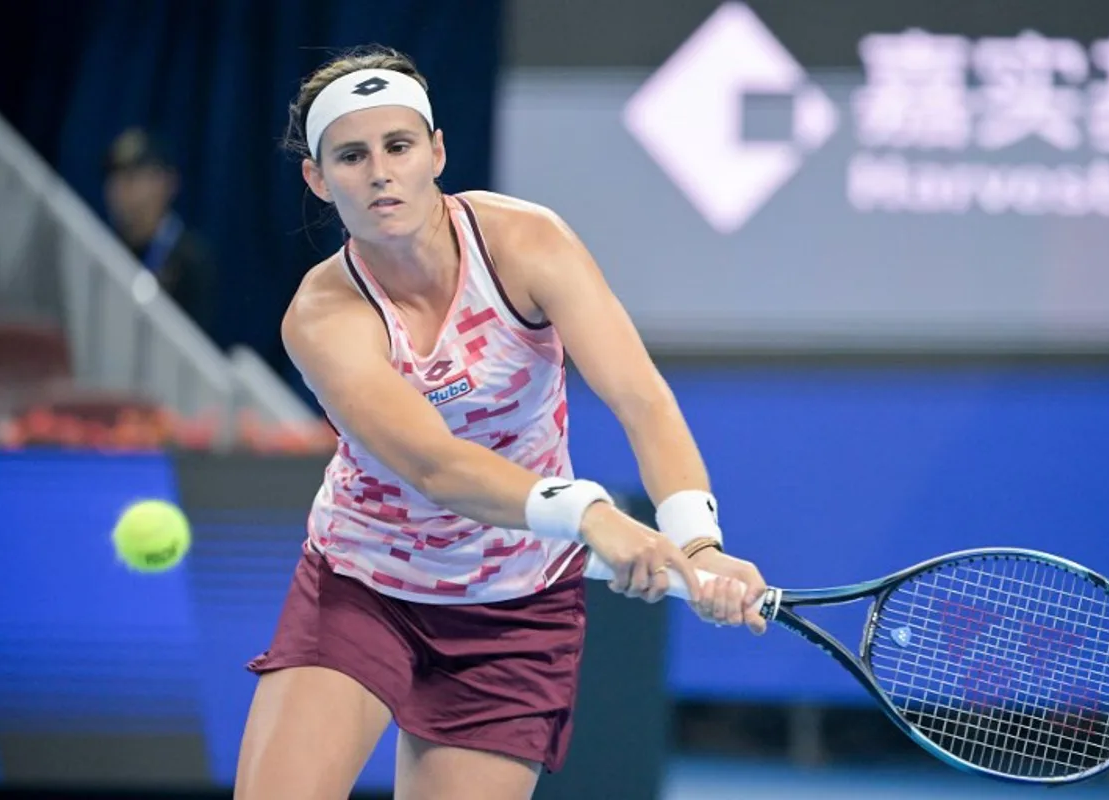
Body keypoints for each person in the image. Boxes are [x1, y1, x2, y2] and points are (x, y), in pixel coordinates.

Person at [234, 45, 769, 800]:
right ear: (318, 179)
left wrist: (695, 538)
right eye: (351, 156)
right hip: (365, 585)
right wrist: (589, 513)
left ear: (436, 152)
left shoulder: (528, 243)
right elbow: (435, 466)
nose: (381, 171)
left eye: (399, 145)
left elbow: (639, 397)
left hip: (515, 614)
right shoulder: (323, 317)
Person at [103, 127, 219, 339]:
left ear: (167, 183)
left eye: (134, 177)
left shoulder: (192, 259)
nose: (121, 189)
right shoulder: (103, 251)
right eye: (115, 178)